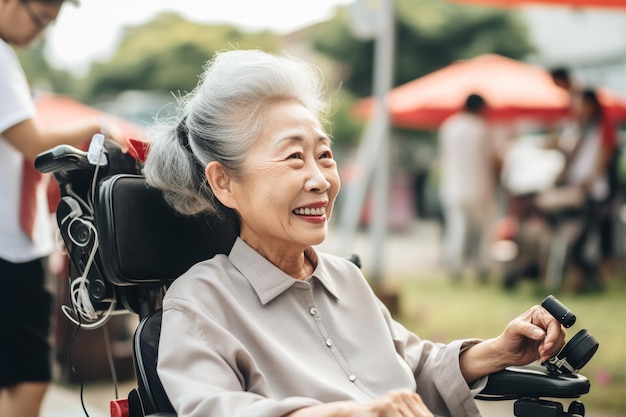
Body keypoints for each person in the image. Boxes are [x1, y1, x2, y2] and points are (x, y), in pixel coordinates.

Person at [143, 49, 566, 417]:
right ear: (224, 183)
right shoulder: (200, 304)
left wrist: (499, 349)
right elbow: (217, 410)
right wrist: (355, 412)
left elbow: (414, 366)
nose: (320, 179)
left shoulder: (344, 277)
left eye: (324, 155)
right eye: (293, 157)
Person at [0, 1, 127, 416]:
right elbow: (35, 144)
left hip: (14, 241)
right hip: (9, 247)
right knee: (30, 378)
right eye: (40, 18)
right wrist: (101, 127)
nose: (42, 31)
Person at [437, 93, 500, 283]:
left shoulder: (449, 126)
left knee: (457, 229)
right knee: (484, 231)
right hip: (480, 187)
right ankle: (483, 267)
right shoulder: (482, 128)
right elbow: (493, 159)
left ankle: (455, 267)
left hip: (454, 187)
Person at [556, 89, 612, 293]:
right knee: (579, 236)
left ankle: (586, 278)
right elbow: (575, 155)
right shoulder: (584, 127)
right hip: (579, 188)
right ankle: (581, 278)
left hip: (594, 190)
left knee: (587, 237)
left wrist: (590, 179)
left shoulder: (602, 126)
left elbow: (606, 153)